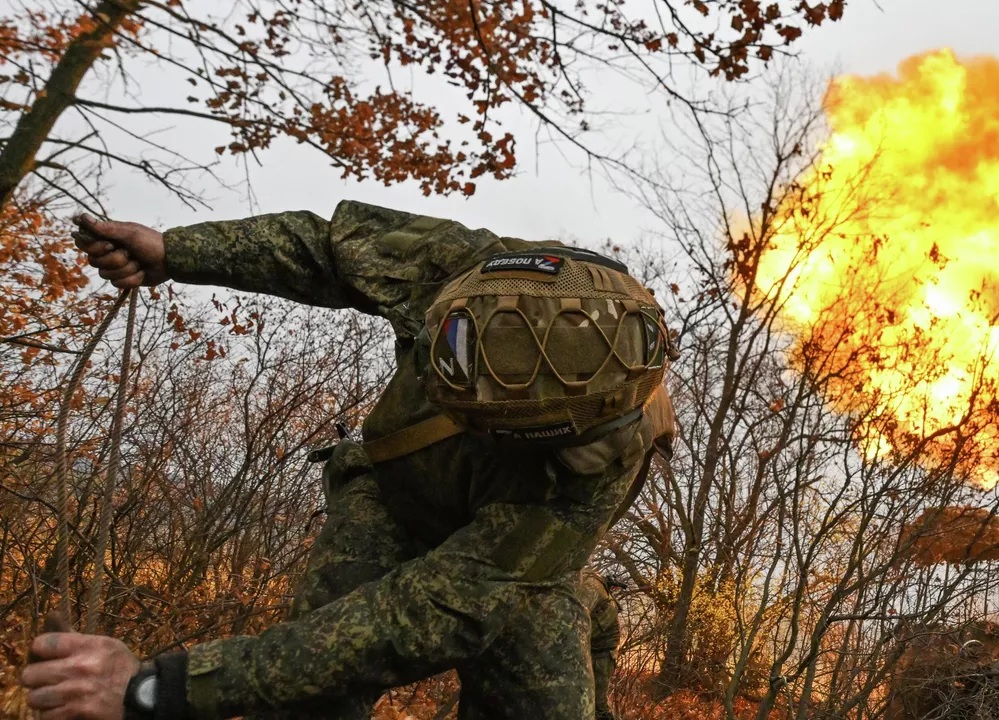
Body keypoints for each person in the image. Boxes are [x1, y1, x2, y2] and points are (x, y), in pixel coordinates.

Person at [21, 202, 675, 720]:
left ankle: (577, 594)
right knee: (305, 696)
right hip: (392, 495)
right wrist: (177, 251)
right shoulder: (471, 270)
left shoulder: (594, 471)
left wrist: (154, 691)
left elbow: (422, 617)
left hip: (511, 556)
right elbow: (330, 250)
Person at [577, 571, 626, 720]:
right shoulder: (595, 587)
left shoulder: (600, 589)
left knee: (596, 701)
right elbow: (581, 618)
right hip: (599, 656)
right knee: (598, 705)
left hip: (601, 654)